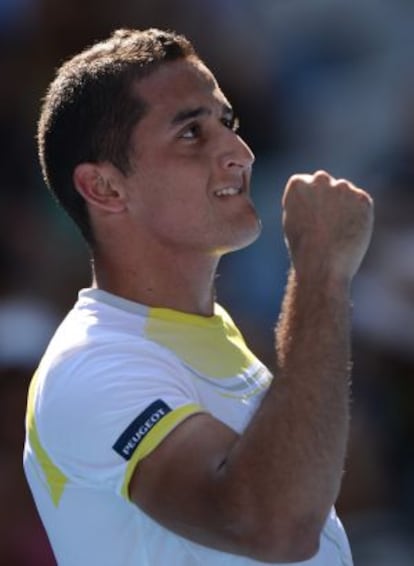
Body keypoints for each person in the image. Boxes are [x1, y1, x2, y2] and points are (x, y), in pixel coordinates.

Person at [23, 28, 374, 565]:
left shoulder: (213, 333)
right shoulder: (91, 366)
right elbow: (272, 528)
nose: (240, 153)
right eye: (191, 133)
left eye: (227, 124)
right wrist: (321, 269)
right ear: (105, 188)